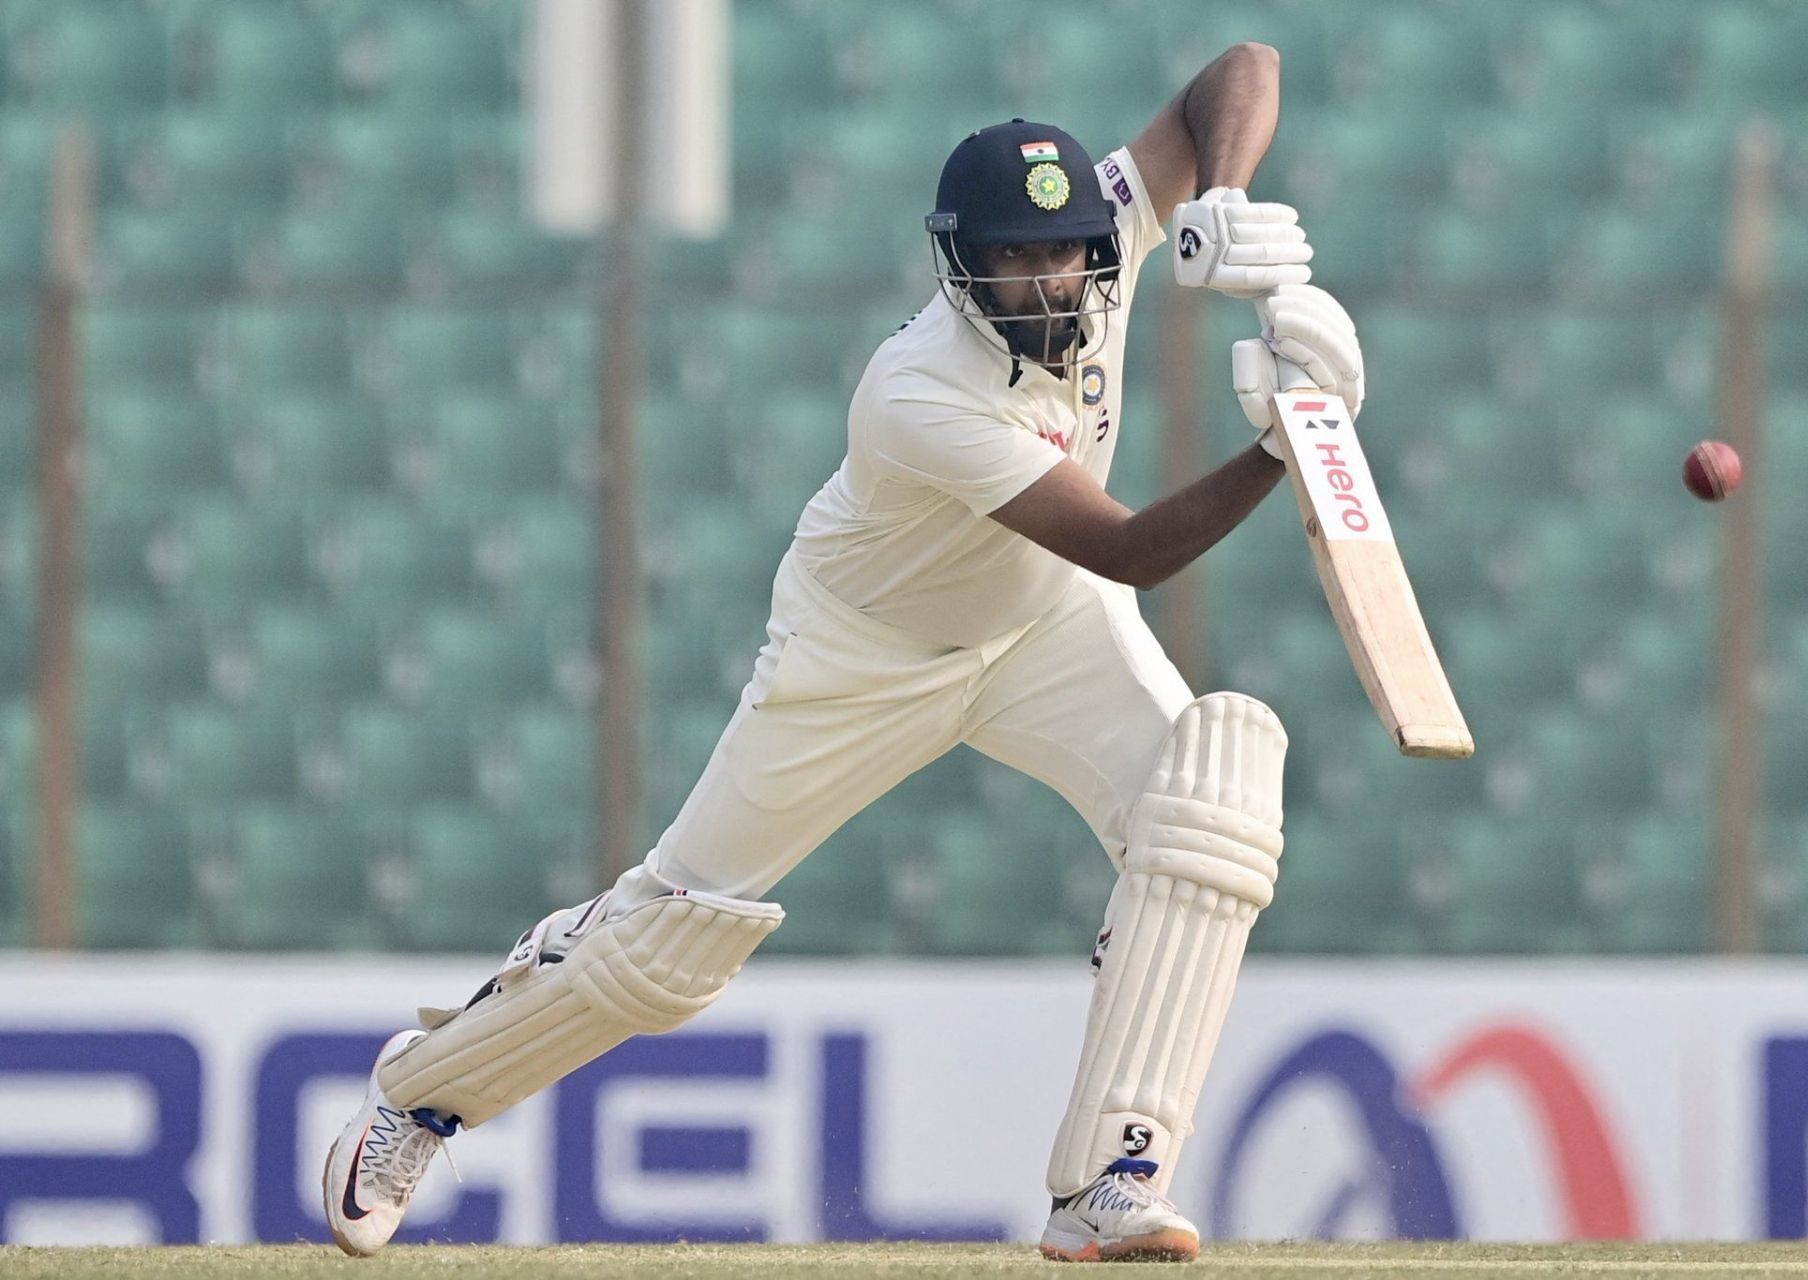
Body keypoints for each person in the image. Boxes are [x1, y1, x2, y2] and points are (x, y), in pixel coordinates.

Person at [322, 41, 1364, 1263]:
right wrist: (1286, 444)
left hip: (1047, 625)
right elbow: (1131, 548)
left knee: (1214, 791)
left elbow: (1239, 66)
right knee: (669, 944)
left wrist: (1224, 197)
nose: (1044, 277)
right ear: (961, 268)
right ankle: (420, 1092)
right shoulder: (919, 387)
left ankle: (1109, 1183)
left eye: (1062, 250)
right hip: (860, 655)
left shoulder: (1110, 239)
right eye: (1009, 258)